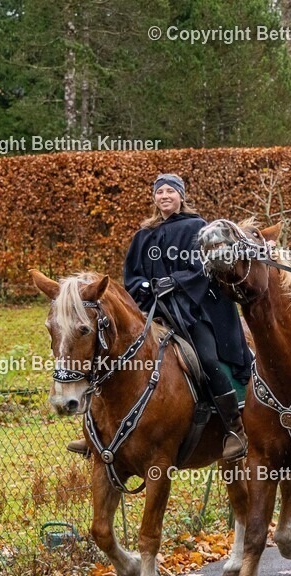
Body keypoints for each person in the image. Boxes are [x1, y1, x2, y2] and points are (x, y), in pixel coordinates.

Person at [68, 173, 250, 459]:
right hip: (150, 310)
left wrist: (175, 282)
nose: (164, 196)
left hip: (189, 312)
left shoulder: (197, 227)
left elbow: (203, 269)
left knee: (207, 360)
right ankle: (94, 431)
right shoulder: (144, 234)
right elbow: (132, 275)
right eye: (160, 192)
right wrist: (145, 287)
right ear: (154, 198)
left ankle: (234, 428)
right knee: (106, 356)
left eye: (170, 191)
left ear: (181, 196)